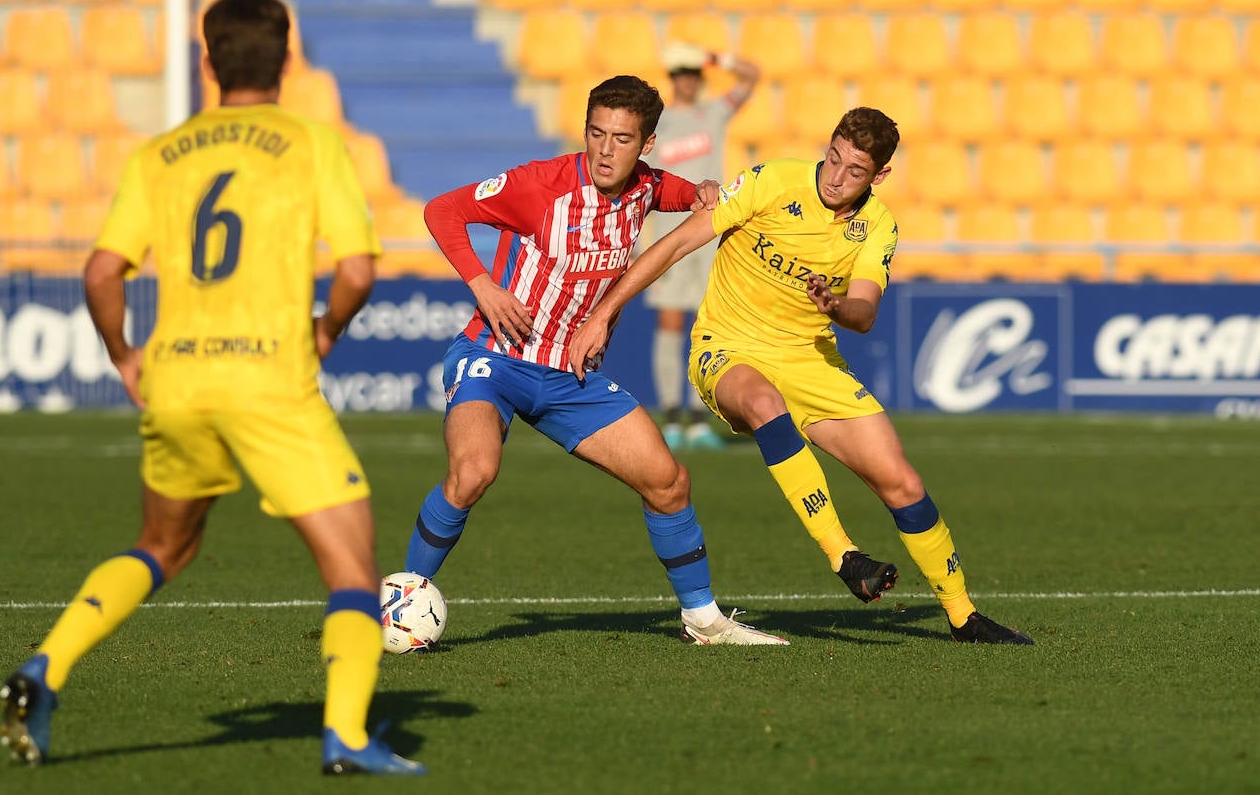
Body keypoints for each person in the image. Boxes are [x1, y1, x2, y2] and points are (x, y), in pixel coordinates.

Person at [0, 0, 427, 776]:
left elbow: (101, 272)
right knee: (353, 569)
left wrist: (126, 355)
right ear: (288, 61)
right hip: (268, 377)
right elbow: (358, 269)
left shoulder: (158, 154)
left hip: (179, 377)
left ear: (207, 63)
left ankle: (44, 670)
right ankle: (348, 734)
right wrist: (325, 330)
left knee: (162, 544)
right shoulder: (310, 142)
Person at [568, 107, 1034, 645]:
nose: (835, 177)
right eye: (833, 158)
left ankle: (963, 617)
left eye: (854, 171)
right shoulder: (772, 181)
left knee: (902, 482)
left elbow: (864, 312)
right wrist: (604, 312)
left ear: (878, 177)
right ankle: (844, 556)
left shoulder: (878, 227)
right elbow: (675, 244)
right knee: (765, 402)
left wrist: (835, 305)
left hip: (811, 358)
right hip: (728, 348)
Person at [403, 74, 786, 647]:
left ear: (646, 144)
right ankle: (405, 600)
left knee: (668, 481)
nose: (606, 151)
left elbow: (675, 192)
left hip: (569, 377)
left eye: (622, 139)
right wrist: (482, 284)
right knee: (473, 472)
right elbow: (442, 211)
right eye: (596, 134)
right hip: (495, 358)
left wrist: (704, 188)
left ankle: (704, 622)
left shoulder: (644, 186)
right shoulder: (539, 186)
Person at [643, 41, 759, 451]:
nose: (688, 82)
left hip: (710, 230)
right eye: (681, 75)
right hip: (669, 233)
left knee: (706, 325)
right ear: (673, 79)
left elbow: (751, 76)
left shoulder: (713, 113)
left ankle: (697, 418)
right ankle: (672, 415)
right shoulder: (660, 122)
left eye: (694, 75)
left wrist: (717, 58)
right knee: (671, 322)